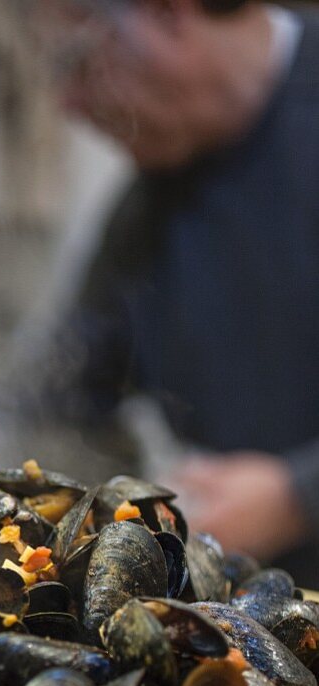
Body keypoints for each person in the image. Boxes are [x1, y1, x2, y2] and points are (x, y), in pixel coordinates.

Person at [30, 0, 319, 584]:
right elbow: (57, 395)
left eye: (78, 61)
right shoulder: (150, 204)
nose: (68, 103)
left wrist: (298, 497)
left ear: (167, 12)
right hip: (241, 630)